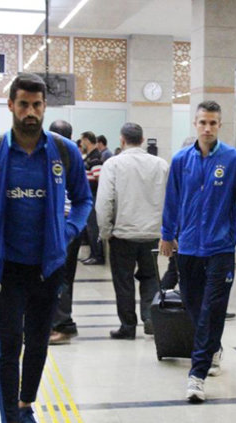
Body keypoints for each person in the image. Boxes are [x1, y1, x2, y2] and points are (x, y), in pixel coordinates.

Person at [0, 72, 92, 423]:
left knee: (37, 342)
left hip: (47, 266)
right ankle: (8, 415)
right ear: (11, 105)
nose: (30, 112)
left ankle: (25, 405)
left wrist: (69, 231)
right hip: (4, 266)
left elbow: (83, 199)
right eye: (23, 104)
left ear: (45, 106)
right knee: (8, 345)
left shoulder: (64, 152)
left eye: (36, 105)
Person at [160, 100, 236, 403]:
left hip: (220, 248)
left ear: (220, 125)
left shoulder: (235, 160)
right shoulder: (181, 160)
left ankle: (197, 375)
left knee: (212, 309)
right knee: (195, 307)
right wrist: (167, 235)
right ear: (195, 124)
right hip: (189, 248)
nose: (207, 128)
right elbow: (172, 200)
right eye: (203, 122)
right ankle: (213, 347)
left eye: (213, 123)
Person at [96, 122, 169, 339]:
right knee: (150, 278)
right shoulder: (161, 165)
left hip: (122, 234)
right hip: (152, 234)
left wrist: (105, 231)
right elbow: (171, 200)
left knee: (124, 282)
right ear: (142, 140)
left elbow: (104, 202)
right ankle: (150, 319)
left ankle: (128, 326)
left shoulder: (113, 164)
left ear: (122, 140)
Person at [47, 119, 83, 345]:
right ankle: (56, 322)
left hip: (59, 223)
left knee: (56, 275)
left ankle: (62, 325)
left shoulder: (51, 157)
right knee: (64, 275)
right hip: (71, 223)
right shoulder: (76, 156)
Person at [80, 131, 105, 265]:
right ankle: (93, 254)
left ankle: (97, 255)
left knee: (93, 227)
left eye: (82, 140)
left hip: (94, 196)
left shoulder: (95, 158)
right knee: (90, 228)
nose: (81, 143)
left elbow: (99, 178)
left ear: (87, 140)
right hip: (89, 196)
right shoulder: (90, 156)